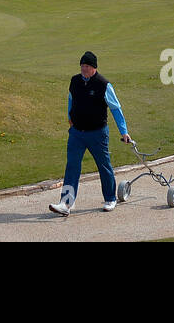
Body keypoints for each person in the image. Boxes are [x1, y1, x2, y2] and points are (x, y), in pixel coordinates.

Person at [49, 51, 132, 216]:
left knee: (104, 166)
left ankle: (110, 199)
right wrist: (69, 118)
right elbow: (71, 100)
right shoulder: (75, 81)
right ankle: (65, 203)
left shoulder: (104, 84)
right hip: (77, 133)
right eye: (82, 66)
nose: (84, 69)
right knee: (72, 166)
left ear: (94, 68)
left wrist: (124, 131)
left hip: (97, 133)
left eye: (87, 66)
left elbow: (116, 109)